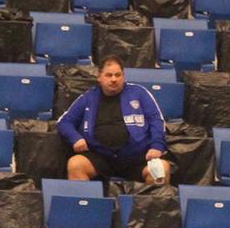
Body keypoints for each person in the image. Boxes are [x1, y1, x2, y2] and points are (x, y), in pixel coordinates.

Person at [59, 55, 171, 185]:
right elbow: (64, 122)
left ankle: (147, 205)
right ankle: (84, 204)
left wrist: (157, 146)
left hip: (137, 157)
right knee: (75, 165)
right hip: (100, 157)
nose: (114, 79)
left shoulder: (140, 93)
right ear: (99, 77)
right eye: (109, 75)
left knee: (161, 169)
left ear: (123, 76)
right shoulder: (88, 97)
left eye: (118, 75)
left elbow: (156, 120)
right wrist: (75, 137)